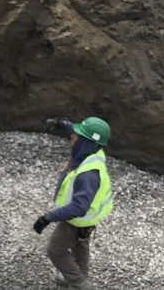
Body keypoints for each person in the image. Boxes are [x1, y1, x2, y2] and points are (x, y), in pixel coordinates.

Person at [32, 116, 114, 289]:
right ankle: (75, 279)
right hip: (87, 222)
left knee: (55, 250)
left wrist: (47, 218)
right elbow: (83, 135)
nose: (72, 137)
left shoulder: (88, 174)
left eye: (77, 136)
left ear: (86, 143)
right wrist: (62, 126)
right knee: (80, 248)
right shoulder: (92, 152)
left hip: (75, 221)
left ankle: (79, 284)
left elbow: (79, 207)